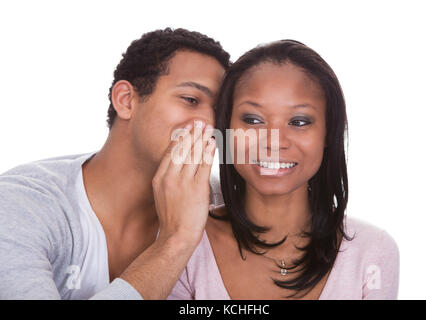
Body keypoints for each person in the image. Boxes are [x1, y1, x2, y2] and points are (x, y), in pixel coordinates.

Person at [0, 28, 229, 299]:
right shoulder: (21, 204)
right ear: (126, 100)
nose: (209, 124)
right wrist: (176, 240)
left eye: (219, 111)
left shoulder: (223, 204)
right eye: (191, 100)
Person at [168, 40, 400, 300]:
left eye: (299, 121)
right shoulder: (184, 244)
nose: (274, 141)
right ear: (225, 131)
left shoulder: (373, 251)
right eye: (253, 120)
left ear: (328, 133)